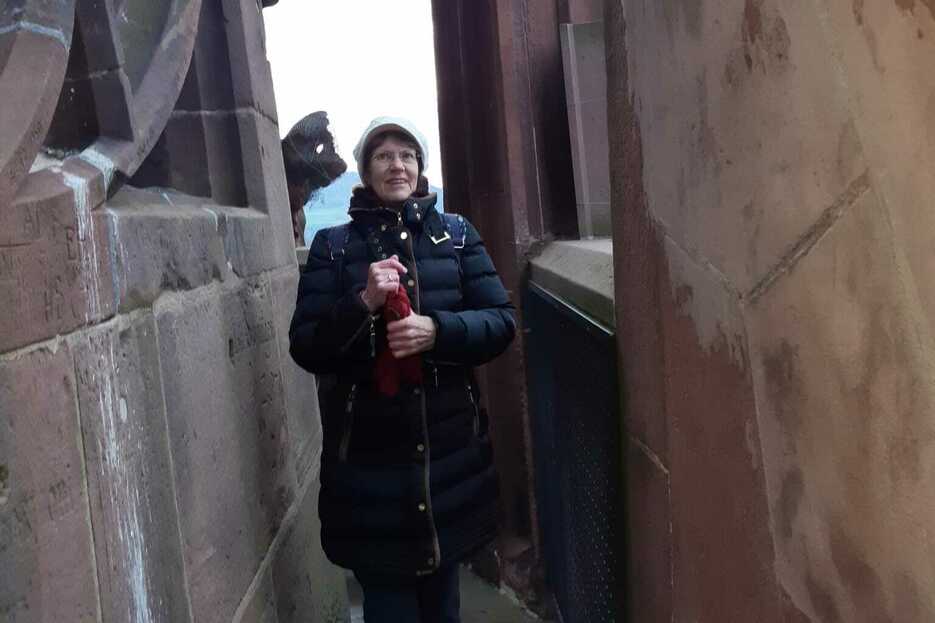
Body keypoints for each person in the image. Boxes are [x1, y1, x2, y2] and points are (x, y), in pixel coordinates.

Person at [289, 117, 516, 622]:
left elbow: (501, 322)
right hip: (369, 464)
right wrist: (363, 302)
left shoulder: (457, 236)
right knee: (388, 607)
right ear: (366, 171)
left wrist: (437, 331)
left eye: (407, 155)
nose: (397, 165)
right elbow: (307, 347)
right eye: (383, 156)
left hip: (449, 457)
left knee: (443, 605)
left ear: (420, 167)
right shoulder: (333, 247)